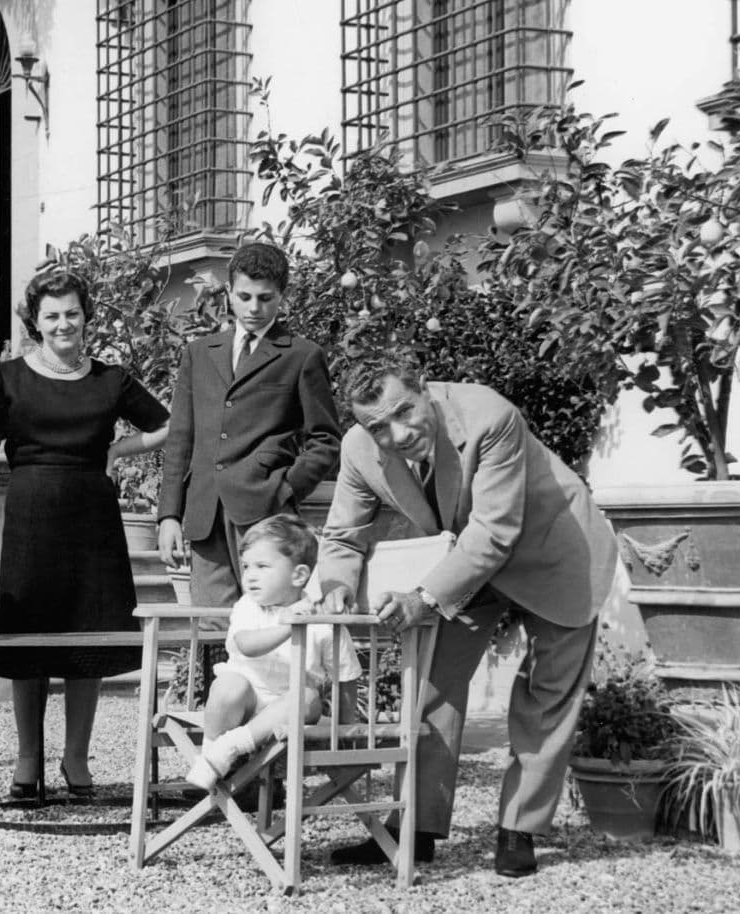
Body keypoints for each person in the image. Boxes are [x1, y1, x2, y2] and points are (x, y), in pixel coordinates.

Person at [317, 352, 618, 878]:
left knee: (545, 695)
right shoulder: (359, 449)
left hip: (557, 551)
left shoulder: (489, 416)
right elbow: (342, 534)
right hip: (469, 564)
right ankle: (416, 828)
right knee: (432, 686)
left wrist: (423, 597)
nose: (397, 433)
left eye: (404, 412)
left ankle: (518, 830)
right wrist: (336, 586)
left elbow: (495, 531)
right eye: (378, 426)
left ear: (424, 388)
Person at [0, 270, 169, 796]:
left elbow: (168, 423)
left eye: (72, 312)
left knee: (87, 638)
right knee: (29, 636)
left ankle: (76, 761)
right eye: (51, 315)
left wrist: (120, 451)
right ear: (35, 321)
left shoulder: (109, 378)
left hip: (92, 518)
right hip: (31, 514)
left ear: (85, 315)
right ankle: (28, 762)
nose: (63, 323)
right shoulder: (6, 377)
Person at [157, 242, 341, 622]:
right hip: (205, 514)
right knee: (211, 629)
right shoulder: (199, 352)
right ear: (229, 293)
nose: (254, 308)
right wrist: (169, 515)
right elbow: (181, 439)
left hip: (265, 511)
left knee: (269, 622)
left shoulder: (301, 355)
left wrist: (285, 488)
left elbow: (325, 439)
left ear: (281, 298)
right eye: (244, 296)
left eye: (265, 298)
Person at [185, 514, 360, 791]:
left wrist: (348, 732)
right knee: (228, 685)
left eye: (262, 566)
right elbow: (247, 645)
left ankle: (229, 748)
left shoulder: (322, 620)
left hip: (287, 712)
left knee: (307, 696)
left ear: (299, 575)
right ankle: (210, 754)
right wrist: (287, 627)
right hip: (243, 705)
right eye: (246, 566)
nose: (249, 575)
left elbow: (346, 675)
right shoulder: (248, 607)